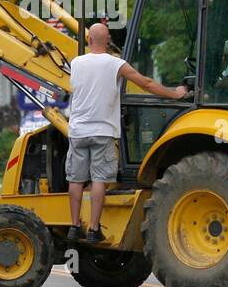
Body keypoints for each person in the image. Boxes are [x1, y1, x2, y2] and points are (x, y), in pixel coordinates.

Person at [66, 22, 189, 244]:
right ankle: (94, 228)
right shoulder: (116, 64)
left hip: (77, 131)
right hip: (102, 130)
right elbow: (148, 84)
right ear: (109, 40)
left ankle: (74, 226)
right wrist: (175, 94)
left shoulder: (76, 63)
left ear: (89, 40)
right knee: (99, 180)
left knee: (75, 179)